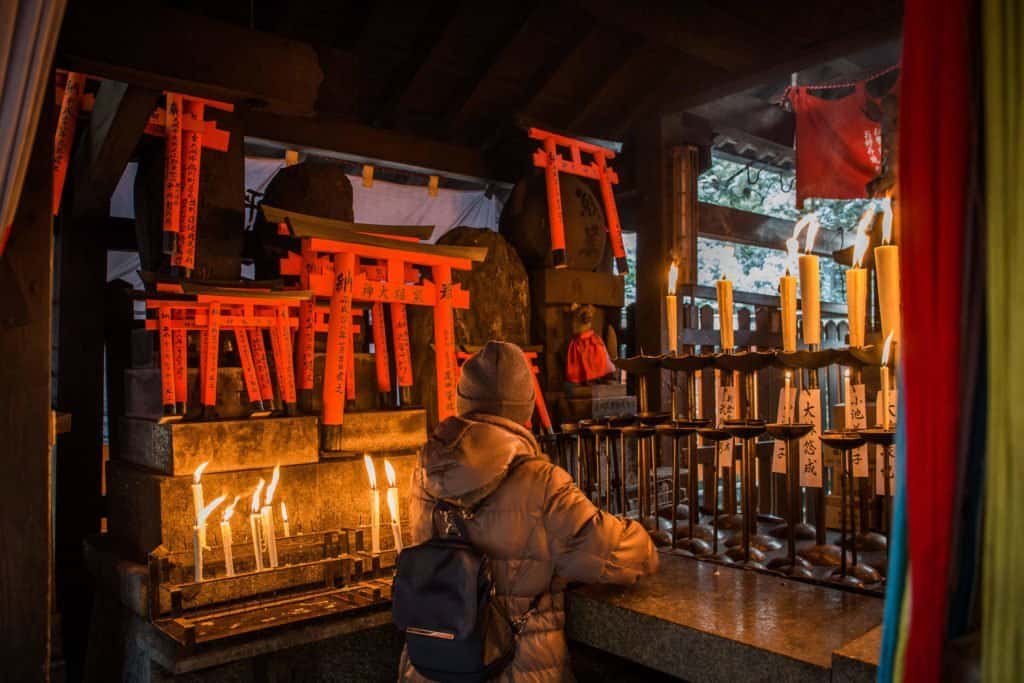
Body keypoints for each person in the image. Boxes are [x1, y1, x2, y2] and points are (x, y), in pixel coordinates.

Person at [399, 341, 659, 682]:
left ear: (463, 402)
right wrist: (645, 535)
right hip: (513, 667)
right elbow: (624, 557)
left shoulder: (425, 469)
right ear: (527, 409)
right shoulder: (541, 483)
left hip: (429, 667)